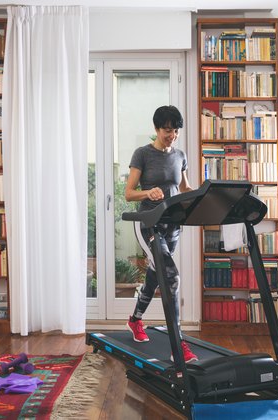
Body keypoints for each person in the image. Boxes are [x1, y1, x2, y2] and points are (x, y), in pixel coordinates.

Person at [124, 105, 198, 363]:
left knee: (156, 277)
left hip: (172, 226)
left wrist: (199, 199)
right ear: (156, 129)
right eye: (168, 130)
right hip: (149, 225)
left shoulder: (180, 155)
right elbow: (129, 192)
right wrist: (148, 192)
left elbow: (185, 188)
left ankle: (134, 321)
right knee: (171, 277)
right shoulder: (142, 154)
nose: (172, 135)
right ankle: (178, 344)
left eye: (176, 130)